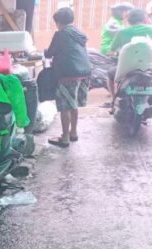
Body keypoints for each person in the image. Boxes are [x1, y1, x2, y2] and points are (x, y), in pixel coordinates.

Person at [105, 8, 152, 124]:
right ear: (145, 19)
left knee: (109, 74)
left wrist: (115, 53)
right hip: (149, 68)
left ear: (128, 20)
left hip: (127, 69)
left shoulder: (122, 32)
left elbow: (111, 51)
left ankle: (113, 100)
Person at [45, 8, 91, 148]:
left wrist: (45, 51)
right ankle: (73, 133)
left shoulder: (61, 34)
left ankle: (65, 138)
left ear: (59, 22)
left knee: (65, 106)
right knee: (73, 104)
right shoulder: (79, 33)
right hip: (84, 72)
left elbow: (50, 53)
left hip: (68, 73)